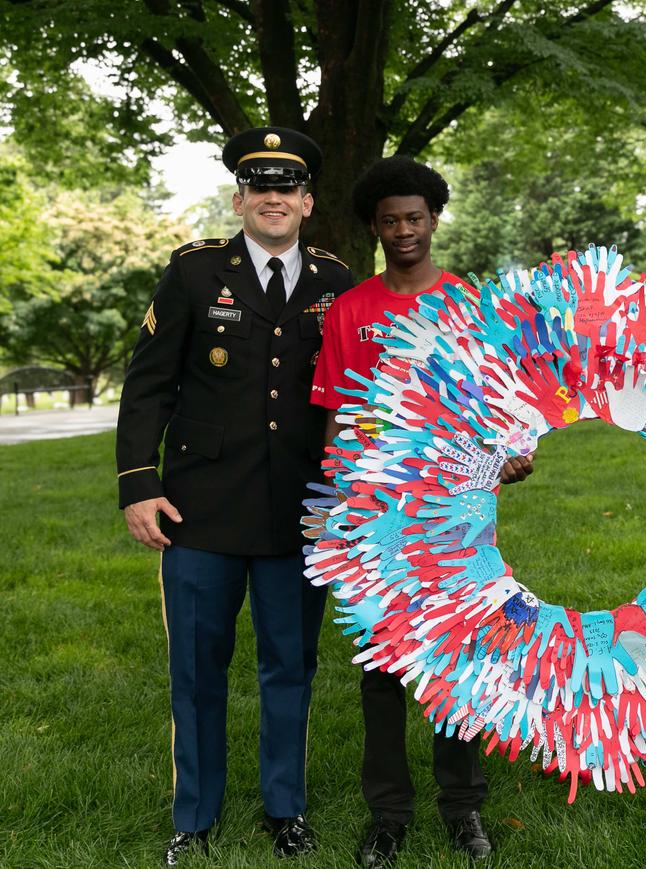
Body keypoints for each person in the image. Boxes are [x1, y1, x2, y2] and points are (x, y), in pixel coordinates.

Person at [116, 127, 355, 864]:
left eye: (287, 188)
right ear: (239, 199)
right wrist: (139, 483)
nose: (273, 198)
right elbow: (149, 382)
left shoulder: (336, 281)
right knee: (196, 669)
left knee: (290, 664)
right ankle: (193, 817)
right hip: (201, 508)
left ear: (307, 202)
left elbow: (360, 389)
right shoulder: (194, 272)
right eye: (260, 187)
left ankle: (286, 809)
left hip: (300, 509)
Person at [311, 155, 533, 866]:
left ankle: (462, 806)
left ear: (434, 218)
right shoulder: (351, 310)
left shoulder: (471, 305)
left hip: (456, 516)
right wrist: (340, 501)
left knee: (458, 658)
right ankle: (387, 812)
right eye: (390, 221)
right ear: (375, 228)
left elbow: (506, 403)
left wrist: (512, 453)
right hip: (375, 513)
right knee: (382, 665)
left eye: (414, 217)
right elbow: (336, 415)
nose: (403, 230)